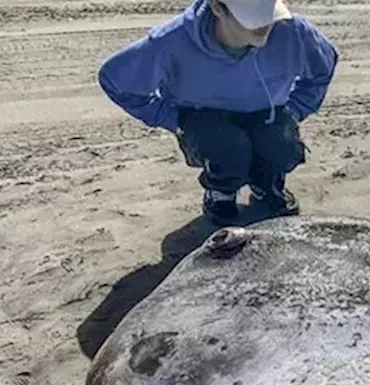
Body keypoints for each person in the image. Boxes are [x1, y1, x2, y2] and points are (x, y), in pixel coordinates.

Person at [97, 0, 339, 225]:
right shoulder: (172, 41)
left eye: (268, 10)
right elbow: (115, 80)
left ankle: (267, 185)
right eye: (252, 15)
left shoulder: (292, 31)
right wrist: (172, 119)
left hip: (268, 113)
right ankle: (221, 193)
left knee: (281, 144)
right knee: (228, 148)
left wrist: (296, 110)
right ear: (217, 8)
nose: (265, 23)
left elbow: (324, 66)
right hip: (204, 118)